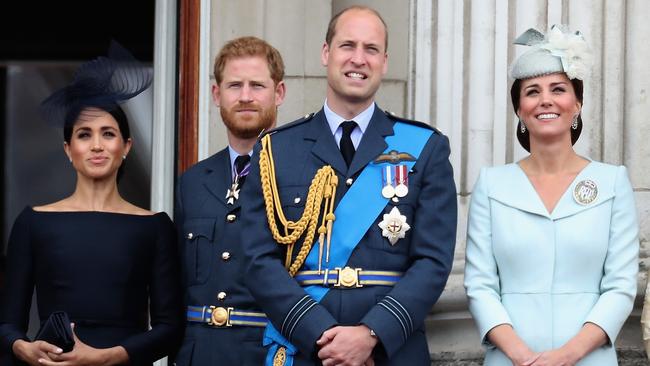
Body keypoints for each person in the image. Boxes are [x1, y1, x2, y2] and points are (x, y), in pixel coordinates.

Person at [240, 6, 457, 366]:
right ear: (327, 53)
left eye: (371, 49)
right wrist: (320, 335)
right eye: (347, 46)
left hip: (389, 351)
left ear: (384, 61)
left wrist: (372, 334)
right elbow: (258, 261)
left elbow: (433, 262)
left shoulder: (426, 147)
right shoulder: (276, 149)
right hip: (307, 348)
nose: (359, 59)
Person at [464, 25, 639, 366]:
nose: (545, 100)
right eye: (532, 91)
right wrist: (523, 357)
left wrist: (565, 357)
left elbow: (619, 287)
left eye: (558, 89)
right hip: (511, 360)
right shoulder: (491, 185)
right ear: (519, 110)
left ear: (577, 104)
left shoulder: (612, 182)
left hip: (589, 359)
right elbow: (480, 285)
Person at [0, 43, 184, 366]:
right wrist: (23, 347)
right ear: (69, 149)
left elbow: (170, 327)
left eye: (108, 134)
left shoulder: (155, 226)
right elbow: (6, 325)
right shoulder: (34, 222)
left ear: (126, 146)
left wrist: (107, 357)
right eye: (84, 135)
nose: (97, 145)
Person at [173, 36, 286, 365]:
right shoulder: (192, 182)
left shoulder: (305, 176)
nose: (246, 97)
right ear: (216, 94)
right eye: (235, 85)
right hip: (200, 354)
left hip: (270, 354)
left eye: (257, 85)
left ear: (278, 93)